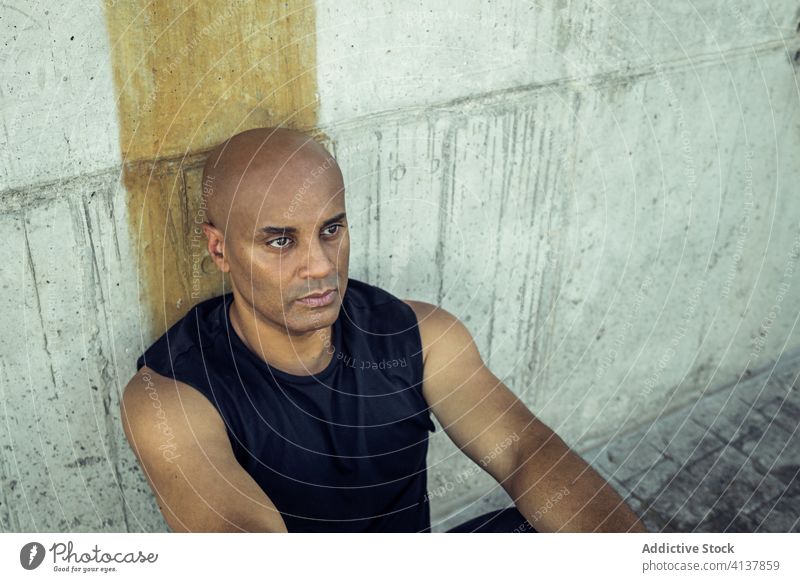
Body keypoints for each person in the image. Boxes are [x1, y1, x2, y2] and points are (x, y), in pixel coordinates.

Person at [121, 127, 648, 533]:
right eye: (281, 242)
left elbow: (524, 449)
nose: (320, 266)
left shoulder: (419, 334)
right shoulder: (170, 397)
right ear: (220, 250)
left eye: (332, 230)